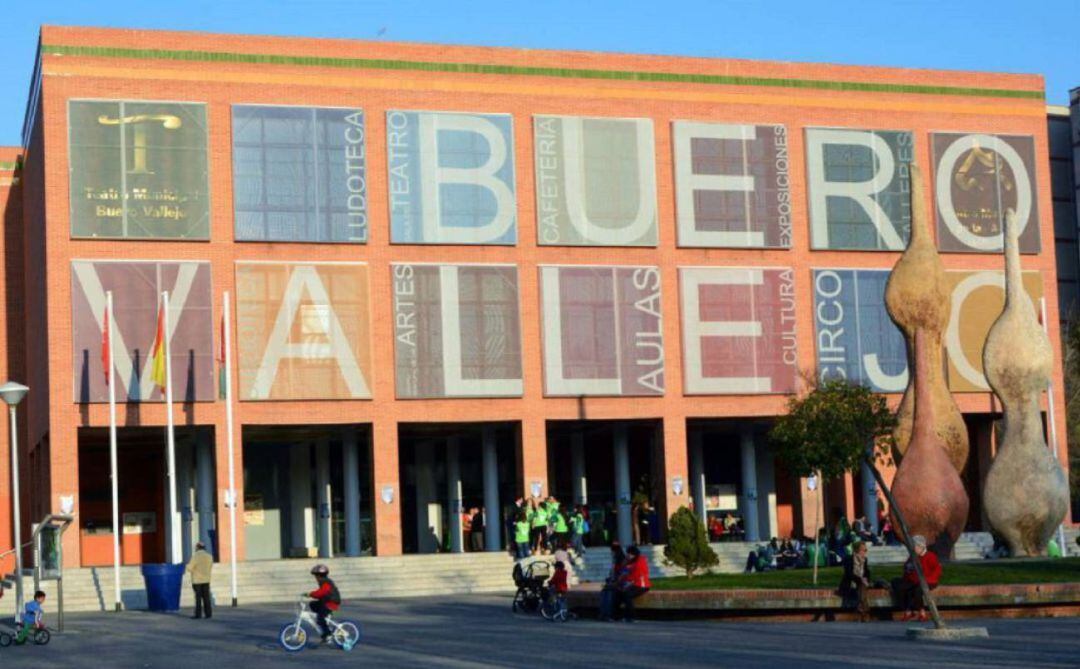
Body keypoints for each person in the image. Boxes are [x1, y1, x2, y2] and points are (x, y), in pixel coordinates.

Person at [892, 535, 941, 622]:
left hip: (927, 581)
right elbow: (907, 569)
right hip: (913, 580)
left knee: (917, 590)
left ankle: (922, 612)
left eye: (914, 547)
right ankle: (908, 610)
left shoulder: (930, 556)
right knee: (898, 585)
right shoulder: (912, 557)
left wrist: (926, 580)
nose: (913, 549)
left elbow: (936, 571)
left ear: (921, 546)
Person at [613, 545, 651, 622]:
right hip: (632, 584)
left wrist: (627, 583)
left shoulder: (640, 561)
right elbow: (624, 572)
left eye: (630, 554)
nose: (628, 555)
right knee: (618, 593)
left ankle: (632, 616)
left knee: (627, 594)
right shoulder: (630, 562)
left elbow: (637, 575)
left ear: (634, 554)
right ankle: (617, 616)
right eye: (628, 554)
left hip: (641, 585)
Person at [307, 564, 341, 643]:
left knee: (320, 619)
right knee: (312, 604)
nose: (315, 578)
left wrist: (310, 594)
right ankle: (324, 617)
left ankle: (327, 634)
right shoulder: (323, 582)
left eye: (316, 576)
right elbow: (322, 594)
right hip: (326, 602)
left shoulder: (326, 583)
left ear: (320, 576)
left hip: (331, 603)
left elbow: (321, 593)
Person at [839, 541, 873, 622]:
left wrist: (865, 578)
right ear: (857, 550)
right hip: (850, 583)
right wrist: (860, 579)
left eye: (866, 550)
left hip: (861, 584)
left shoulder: (865, 560)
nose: (865, 552)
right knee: (862, 585)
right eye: (863, 550)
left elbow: (867, 573)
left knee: (862, 585)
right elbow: (849, 574)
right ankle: (865, 611)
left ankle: (861, 609)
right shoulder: (849, 559)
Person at [186, 540, 214, 619]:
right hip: (206, 580)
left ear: (197, 547)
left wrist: (191, 569)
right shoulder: (209, 556)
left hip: (197, 580)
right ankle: (208, 613)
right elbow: (210, 566)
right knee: (206, 597)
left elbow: (189, 568)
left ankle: (198, 614)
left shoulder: (195, 557)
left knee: (198, 598)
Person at [598, 542, 626, 621]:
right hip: (614, 582)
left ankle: (608, 614)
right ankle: (604, 614)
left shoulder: (622, 562)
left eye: (612, 552)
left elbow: (623, 575)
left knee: (610, 593)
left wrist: (614, 582)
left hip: (620, 584)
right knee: (604, 592)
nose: (611, 553)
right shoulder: (615, 561)